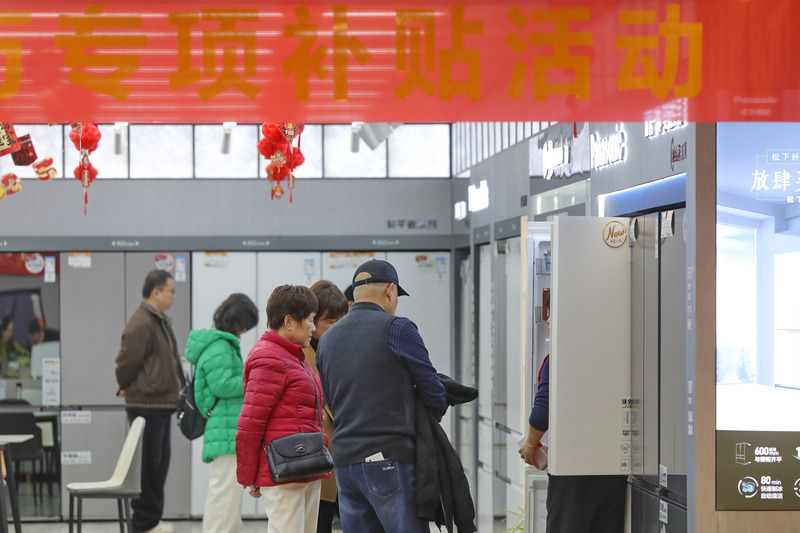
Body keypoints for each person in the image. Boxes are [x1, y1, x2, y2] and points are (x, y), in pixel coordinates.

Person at [316, 259, 447, 533]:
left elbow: (329, 401)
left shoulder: (326, 339)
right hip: (390, 459)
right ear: (390, 290)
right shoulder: (398, 329)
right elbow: (434, 393)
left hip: (345, 464)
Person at [518, 313, 626, 533]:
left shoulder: (559, 358)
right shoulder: (617, 356)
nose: (548, 321)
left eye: (553, 313)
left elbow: (542, 413)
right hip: (615, 471)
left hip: (572, 474)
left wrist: (530, 445)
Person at [236, 284, 331, 533]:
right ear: (289, 322)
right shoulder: (269, 358)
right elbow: (250, 422)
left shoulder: (293, 356)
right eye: (309, 320)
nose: (313, 327)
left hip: (307, 466)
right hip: (285, 470)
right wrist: (248, 476)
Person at [115, 270, 185, 533]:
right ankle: (144, 524)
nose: (174, 296)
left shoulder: (156, 320)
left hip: (160, 405)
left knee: (158, 466)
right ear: (156, 292)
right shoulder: (142, 322)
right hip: (147, 406)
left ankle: (151, 521)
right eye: (170, 291)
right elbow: (125, 362)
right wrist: (124, 384)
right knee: (149, 468)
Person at [185, 293, 259, 533]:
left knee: (228, 493)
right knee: (224, 493)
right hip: (225, 427)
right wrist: (252, 379)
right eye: (244, 325)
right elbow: (222, 385)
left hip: (225, 424)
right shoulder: (220, 345)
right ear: (236, 320)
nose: (244, 331)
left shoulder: (219, 343)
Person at [303, 280, 348, 533]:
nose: (337, 326)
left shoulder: (343, 346)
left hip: (344, 449)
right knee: (317, 521)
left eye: (341, 319)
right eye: (331, 321)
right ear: (312, 319)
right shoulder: (299, 351)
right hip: (313, 452)